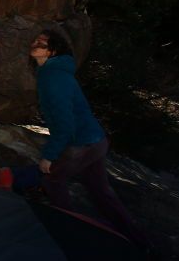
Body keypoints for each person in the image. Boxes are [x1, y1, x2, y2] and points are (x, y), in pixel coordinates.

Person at [30, 29, 150, 248]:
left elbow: (64, 123)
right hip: (97, 141)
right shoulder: (56, 72)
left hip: (81, 143)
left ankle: (68, 234)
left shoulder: (52, 77)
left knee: (52, 180)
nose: (34, 44)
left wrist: (49, 155)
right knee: (101, 192)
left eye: (41, 42)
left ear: (53, 51)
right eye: (35, 40)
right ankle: (138, 240)